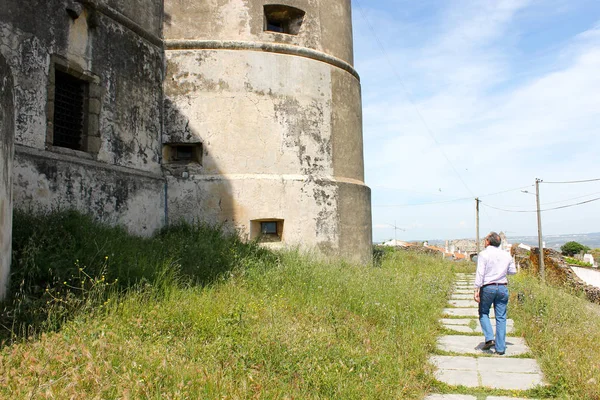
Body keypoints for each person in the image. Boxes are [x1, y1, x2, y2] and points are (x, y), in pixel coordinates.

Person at [473, 232, 517, 355]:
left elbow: (480, 273)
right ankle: (501, 348)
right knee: (501, 317)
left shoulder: (483, 254)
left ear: (488, 241)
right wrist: (502, 270)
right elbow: (513, 271)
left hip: (488, 287)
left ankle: (489, 337)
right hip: (502, 287)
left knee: (483, 312)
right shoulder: (506, 254)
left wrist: (476, 289)